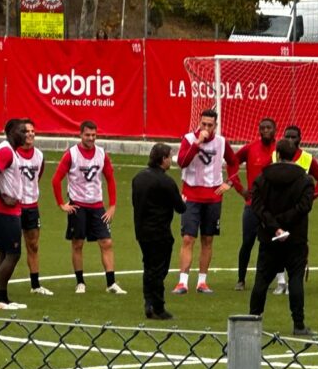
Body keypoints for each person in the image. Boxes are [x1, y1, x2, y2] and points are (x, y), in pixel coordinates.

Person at [248, 138, 316, 336]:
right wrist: (284, 224)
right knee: (295, 279)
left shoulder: (262, 178)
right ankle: (298, 324)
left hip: (269, 237)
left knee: (261, 280)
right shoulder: (304, 180)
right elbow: (304, 207)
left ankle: (253, 320)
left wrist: (275, 226)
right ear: (295, 155)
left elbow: (257, 206)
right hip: (295, 238)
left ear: (277, 154)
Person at [51, 120, 127, 295]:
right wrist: (62, 204)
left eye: (94, 135)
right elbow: (56, 179)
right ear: (80, 135)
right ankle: (80, 282)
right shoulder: (71, 154)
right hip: (78, 206)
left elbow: (110, 179)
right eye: (87, 135)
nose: (91, 138)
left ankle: (111, 283)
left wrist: (112, 205)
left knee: (106, 242)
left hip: (97, 206)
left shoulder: (102, 154)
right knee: (77, 244)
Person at [175, 108, 240, 295]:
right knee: (188, 238)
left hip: (213, 197)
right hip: (191, 195)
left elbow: (234, 162)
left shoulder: (221, 142)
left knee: (208, 239)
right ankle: (182, 282)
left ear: (215, 126)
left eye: (210, 125)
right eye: (203, 124)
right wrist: (197, 143)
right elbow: (182, 162)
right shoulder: (188, 139)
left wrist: (230, 182)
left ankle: (202, 282)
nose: (206, 128)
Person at [270, 125, 318, 295]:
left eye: (293, 137)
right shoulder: (275, 155)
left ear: (300, 139)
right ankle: (280, 281)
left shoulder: (307, 158)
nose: (290, 139)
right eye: (287, 136)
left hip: (298, 211)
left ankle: (293, 281)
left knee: (296, 246)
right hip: (279, 208)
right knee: (277, 243)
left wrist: (311, 196)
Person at [132, 143, 187, 320]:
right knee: (158, 270)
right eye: (170, 157)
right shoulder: (166, 181)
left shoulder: (138, 178)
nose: (171, 160)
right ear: (163, 159)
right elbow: (180, 208)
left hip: (142, 231)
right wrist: (182, 199)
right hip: (160, 232)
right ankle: (158, 306)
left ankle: (148, 302)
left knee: (148, 267)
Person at [0, 119, 29, 310]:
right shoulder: (6, 151)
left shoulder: (11, 152)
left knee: (4, 252)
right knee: (13, 253)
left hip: (6, 208)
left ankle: (0, 295)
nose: (25, 134)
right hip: (5, 209)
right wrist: (2, 197)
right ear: (10, 131)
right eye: (22, 131)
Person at [233, 118, 277, 291]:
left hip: (273, 206)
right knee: (247, 242)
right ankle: (241, 279)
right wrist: (239, 188)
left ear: (275, 130)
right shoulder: (250, 148)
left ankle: (265, 279)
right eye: (263, 128)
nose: (265, 131)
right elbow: (232, 162)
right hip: (252, 205)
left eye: (269, 128)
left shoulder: (279, 149)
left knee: (269, 243)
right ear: (258, 130)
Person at [12, 119, 51, 295]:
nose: (30, 134)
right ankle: (2, 283)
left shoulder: (40, 156)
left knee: (33, 245)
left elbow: (38, 176)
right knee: (9, 247)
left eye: (32, 131)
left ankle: (35, 285)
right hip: (13, 207)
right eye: (26, 131)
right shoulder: (12, 154)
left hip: (32, 207)